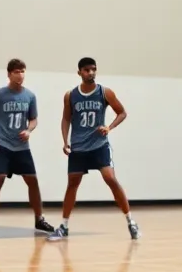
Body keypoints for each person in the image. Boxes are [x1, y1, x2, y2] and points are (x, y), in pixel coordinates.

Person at [49, 57, 140, 240]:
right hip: (79, 147)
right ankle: (64, 226)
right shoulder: (71, 95)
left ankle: (131, 221)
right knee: (72, 184)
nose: (91, 73)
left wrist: (109, 127)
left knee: (110, 179)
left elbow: (122, 112)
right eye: (87, 70)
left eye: (93, 69)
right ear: (79, 72)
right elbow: (66, 118)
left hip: (99, 145)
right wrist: (65, 141)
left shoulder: (104, 92)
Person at [0, 59, 54, 239]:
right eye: (16, 72)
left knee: (32, 180)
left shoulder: (30, 96)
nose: (20, 75)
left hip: (21, 146)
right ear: (9, 74)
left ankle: (39, 218)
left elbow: (34, 119)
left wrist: (29, 130)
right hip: (2, 144)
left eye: (22, 71)